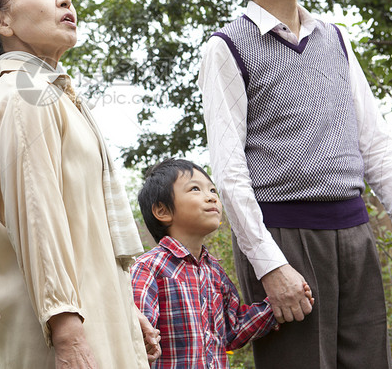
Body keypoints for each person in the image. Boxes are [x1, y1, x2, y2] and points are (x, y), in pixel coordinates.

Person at [198, 0, 392, 369]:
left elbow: (375, 141)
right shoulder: (226, 46)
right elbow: (229, 168)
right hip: (283, 236)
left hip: (354, 231)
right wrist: (269, 265)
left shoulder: (336, 38)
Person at [0, 0, 161, 368]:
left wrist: (125, 309)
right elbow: (40, 220)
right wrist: (68, 333)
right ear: (1, 22)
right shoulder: (26, 91)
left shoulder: (51, 92)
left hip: (92, 317)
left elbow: (85, 232)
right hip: (64, 334)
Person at [132, 158, 310, 369]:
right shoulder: (149, 267)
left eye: (213, 190)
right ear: (163, 211)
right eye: (195, 189)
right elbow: (139, 331)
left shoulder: (215, 272)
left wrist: (276, 306)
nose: (211, 198)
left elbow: (232, 330)